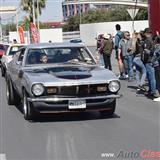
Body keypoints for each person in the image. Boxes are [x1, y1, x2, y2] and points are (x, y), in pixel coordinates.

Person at [142, 28, 159, 98]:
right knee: (151, 77)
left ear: (146, 33)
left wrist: (145, 52)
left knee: (151, 77)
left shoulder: (147, 41)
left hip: (149, 61)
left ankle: (154, 92)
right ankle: (151, 91)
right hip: (152, 61)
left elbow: (147, 51)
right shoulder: (153, 40)